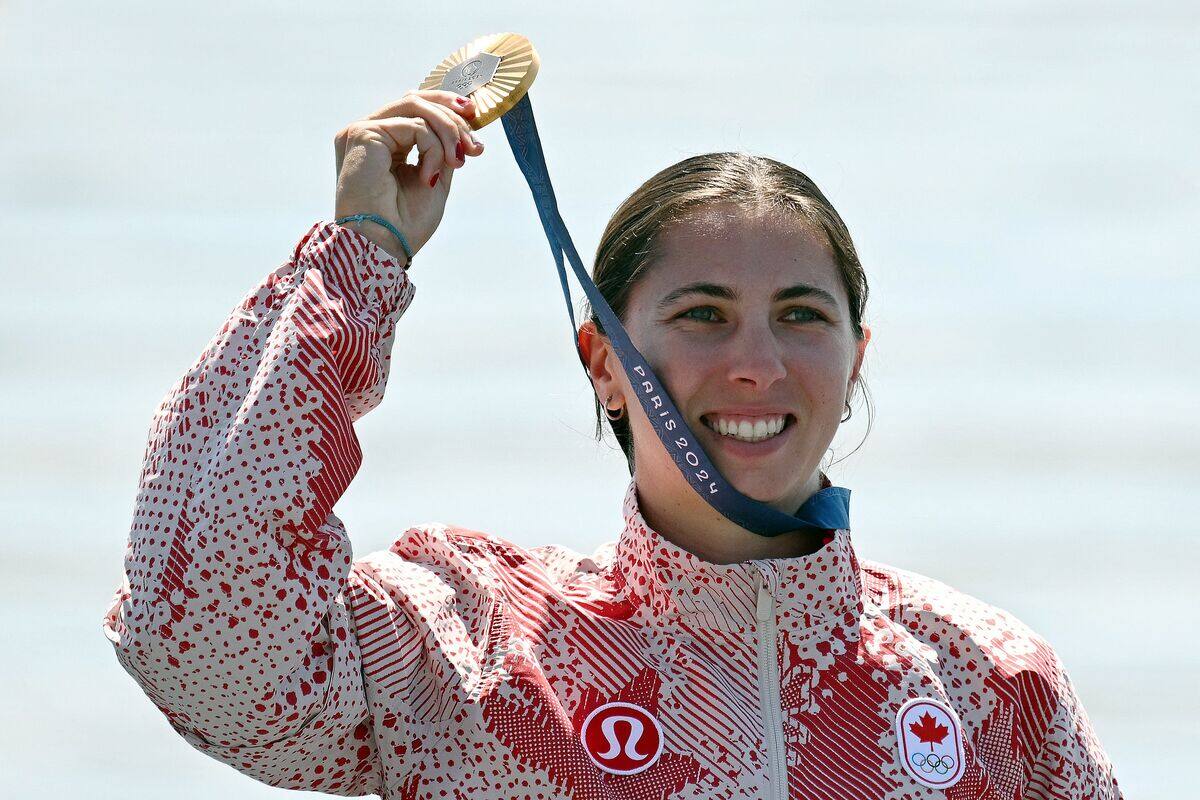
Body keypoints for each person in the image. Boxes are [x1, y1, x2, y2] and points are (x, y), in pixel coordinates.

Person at [101, 88, 1123, 799]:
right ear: (602, 358)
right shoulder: (469, 650)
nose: (758, 364)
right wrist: (360, 261)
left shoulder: (989, 680)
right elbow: (200, 631)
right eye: (704, 313)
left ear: (858, 355)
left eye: (803, 315)